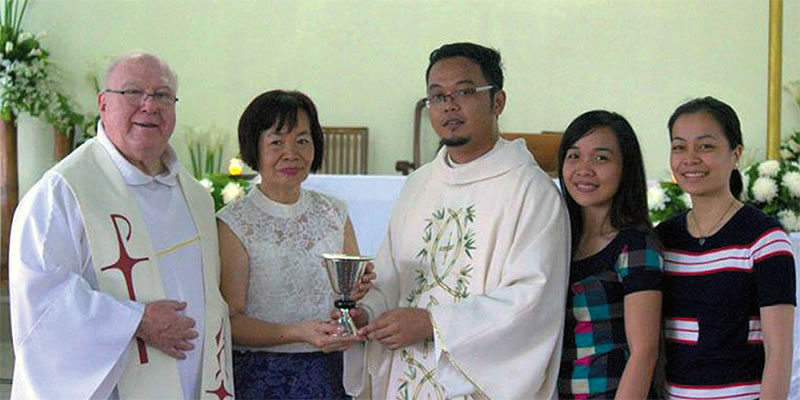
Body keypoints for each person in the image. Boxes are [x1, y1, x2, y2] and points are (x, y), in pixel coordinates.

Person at [343, 42, 570, 399]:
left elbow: (532, 301)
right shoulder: (419, 184)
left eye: (464, 92)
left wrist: (432, 324)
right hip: (406, 378)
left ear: (498, 101)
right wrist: (366, 314)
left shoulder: (531, 191)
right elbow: (389, 278)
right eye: (437, 96)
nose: (448, 105)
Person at [8, 52, 233, 399]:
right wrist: (136, 322)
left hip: (193, 383)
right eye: (132, 93)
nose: (149, 105)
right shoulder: (62, 194)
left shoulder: (195, 196)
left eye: (162, 95)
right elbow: (43, 305)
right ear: (103, 103)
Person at [217, 90, 374, 399]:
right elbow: (229, 320)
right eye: (276, 142)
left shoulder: (334, 213)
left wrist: (360, 290)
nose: (292, 153)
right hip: (264, 377)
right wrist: (298, 333)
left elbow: (351, 296)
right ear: (254, 148)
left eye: (302, 140)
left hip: (334, 371)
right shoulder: (234, 222)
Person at [657, 97, 795, 400]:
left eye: (705, 146)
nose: (689, 158)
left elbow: (780, 352)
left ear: (736, 154)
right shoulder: (663, 239)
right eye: (679, 147)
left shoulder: (765, 239)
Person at [556, 110, 663, 399]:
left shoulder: (635, 244)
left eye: (601, 158)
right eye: (574, 155)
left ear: (625, 168)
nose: (584, 169)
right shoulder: (557, 241)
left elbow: (645, 351)